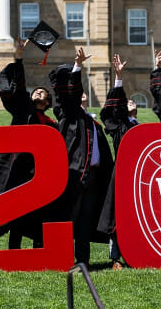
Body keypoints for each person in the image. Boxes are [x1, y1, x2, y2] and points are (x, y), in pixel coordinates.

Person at [48, 47, 114, 264]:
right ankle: (62, 258)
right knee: (69, 217)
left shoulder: (91, 122)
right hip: (75, 175)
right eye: (79, 92)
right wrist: (78, 67)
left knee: (85, 220)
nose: (83, 94)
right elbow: (71, 95)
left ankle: (82, 261)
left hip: (93, 177)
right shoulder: (69, 115)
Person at [0, 39, 58, 250]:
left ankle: (39, 247)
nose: (38, 92)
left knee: (40, 212)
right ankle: (14, 249)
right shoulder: (24, 110)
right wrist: (19, 57)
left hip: (37, 173)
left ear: (48, 102)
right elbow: (17, 89)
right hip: (17, 169)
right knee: (16, 211)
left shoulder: (51, 126)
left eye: (42, 92)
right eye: (35, 91)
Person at [98, 53, 139, 269]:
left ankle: (137, 254)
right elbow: (113, 110)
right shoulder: (120, 126)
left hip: (140, 176)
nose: (129, 102)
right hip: (122, 174)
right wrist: (119, 78)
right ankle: (115, 258)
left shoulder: (142, 129)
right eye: (127, 101)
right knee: (117, 215)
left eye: (132, 101)